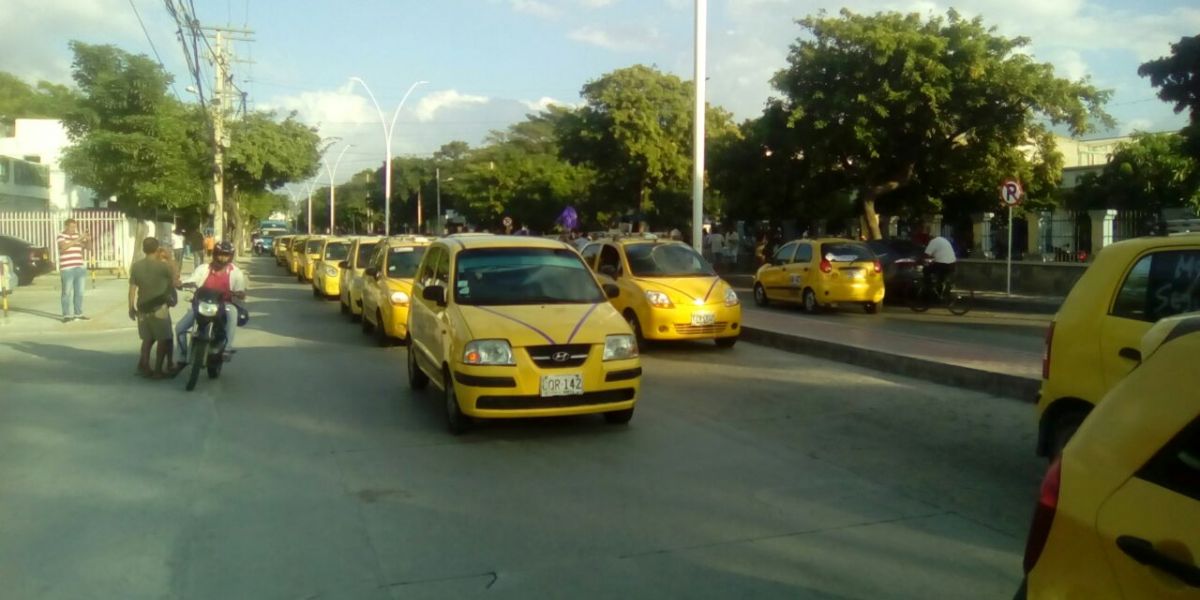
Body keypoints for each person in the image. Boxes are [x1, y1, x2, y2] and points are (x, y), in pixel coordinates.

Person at [174, 241, 247, 367]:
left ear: (230, 256)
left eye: (226, 255)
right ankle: (182, 356)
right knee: (180, 328)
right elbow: (193, 279)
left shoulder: (236, 272)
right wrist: (181, 283)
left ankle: (227, 348)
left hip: (224, 305)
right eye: (220, 254)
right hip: (202, 304)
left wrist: (239, 293)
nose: (222, 257)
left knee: (233, 312)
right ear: (214, 254)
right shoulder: (203, 268)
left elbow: (240, 291)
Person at [129, 238, 181, 379]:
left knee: (147, 339)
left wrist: (130, 307)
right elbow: (175, 281)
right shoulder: (163, 267)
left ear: (143, 248)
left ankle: (144, 366)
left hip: (142, 307)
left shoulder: (136, 266)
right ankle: (158, 370)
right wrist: (170, 259)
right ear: (156, 248)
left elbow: (132, 289)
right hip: (159, 307)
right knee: (163, 339)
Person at [56, 218, 90, 323]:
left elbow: (88, 248)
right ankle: (66, 315)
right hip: (67, 268)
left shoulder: (77, 236)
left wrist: (88, 239)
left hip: (79, 267)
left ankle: (78, 314)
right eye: (71, 227)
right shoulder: (61, 236)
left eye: (75, 227)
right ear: (66, 226)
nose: (73, 229)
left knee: (79, 292)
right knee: (66, 292)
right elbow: (63, 247)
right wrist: (78, 239)